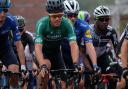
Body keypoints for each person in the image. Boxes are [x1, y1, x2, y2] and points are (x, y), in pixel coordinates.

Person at [34, 0, 79, 89]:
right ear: (49, 16)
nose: (57, 19)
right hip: (44, 53)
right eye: (54, 16)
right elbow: (38, 47)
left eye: (60, 16)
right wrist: (42, 65)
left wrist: (75, 63)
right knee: (45, 71)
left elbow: (73, 44)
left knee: (64, 83)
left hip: (56, 53)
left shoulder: (67, 23)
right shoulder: (42, 24)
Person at [63, 0, 99, 88]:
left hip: (75, 53)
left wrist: (95, 65)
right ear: (64, 14)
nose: (73, 18)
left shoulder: (83, 25)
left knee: (80, 83)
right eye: (70, 15)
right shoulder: (59, 25)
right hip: (60, 52)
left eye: (75, 15)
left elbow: (89, 46)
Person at [90, 5, 121, 89]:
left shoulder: (111, 31)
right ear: (95, 19)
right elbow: (81, 50)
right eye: (101, 19)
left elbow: (117, 49)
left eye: (107, 19)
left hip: (102, 56)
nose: (104, 22)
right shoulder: (88, 30)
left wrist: (119, 61)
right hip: (89, 57)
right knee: (88, 79)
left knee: (114, 72)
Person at [0, 0, 26, 88]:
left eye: (5, 11)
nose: (3, 14)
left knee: (15, 71)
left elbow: (18, 44)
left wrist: (22, 66)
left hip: (5, 48)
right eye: (0, 11)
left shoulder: (11, 20)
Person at [13, 15, 36, 89]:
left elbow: (33, 51)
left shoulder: (28, 36)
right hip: (11, 56)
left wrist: (34, 65)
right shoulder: (8, 35)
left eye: (21, 30)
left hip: (23, 58)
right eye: (17, 30)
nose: (19, 33)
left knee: (25, 80)